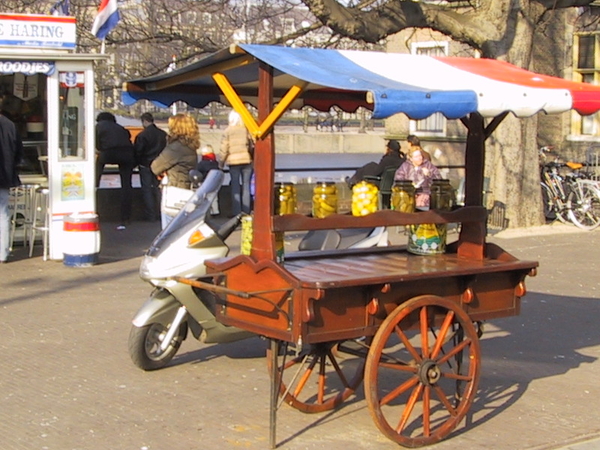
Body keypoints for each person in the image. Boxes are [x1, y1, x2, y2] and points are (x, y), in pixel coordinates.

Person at [151, 114, 199, 227]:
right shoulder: (191, 147)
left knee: (169, 232)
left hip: (174, 192)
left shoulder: (175, 148)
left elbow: (155, 167)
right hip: (187, 190)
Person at [95, 112, 136, 230]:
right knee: (126, 185)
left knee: (97, 171)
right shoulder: (120, 128)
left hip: (108, 153)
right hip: (127, 154)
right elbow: (127, 137)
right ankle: (126, 217)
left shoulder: (99, 126)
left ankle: (95, 187)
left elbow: (97, 145)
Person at [219, 110, 253, 216]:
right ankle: (246, 212)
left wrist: (221, 163)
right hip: (246, 160)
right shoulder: (245, 129)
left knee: (235, 187)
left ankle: (237, 213)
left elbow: (224, 148)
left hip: (233, 161)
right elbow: (252, 143)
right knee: (246, 187)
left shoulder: (227, 131)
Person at [134, 113, 167, 222]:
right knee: (159, 189)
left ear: (144, 121)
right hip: (160, 165)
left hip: (145, 165)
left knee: (147, 190)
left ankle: (150, 215)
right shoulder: (163, 134)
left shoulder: (142, 136)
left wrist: (136, 163)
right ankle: (161, 213)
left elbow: (138, 152)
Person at [0, 108, 23, 263]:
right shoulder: (9, 125)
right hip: (4, 178)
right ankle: (2, 254)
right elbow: (19, 155)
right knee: (3, 215)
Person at [196, 145, 220, 215]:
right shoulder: (215, 162)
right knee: (214, 197)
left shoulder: (201, 163)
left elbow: (198, 171)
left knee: (204, 198)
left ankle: (206, 211)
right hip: (214, 181)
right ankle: (215, 211)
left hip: (204, 181)